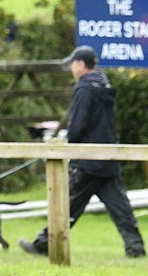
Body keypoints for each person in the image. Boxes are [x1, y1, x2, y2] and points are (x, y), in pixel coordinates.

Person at [20, 45, 145, 258]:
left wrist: (70, 144)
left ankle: (43, 245)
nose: (71, 68)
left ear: (80, 64)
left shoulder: (85, 89)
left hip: (87, 159)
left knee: (66, 205)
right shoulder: (105, 85)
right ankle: (136, 248)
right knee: (120, 207)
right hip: (107, 157)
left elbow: (78, 124)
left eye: (72, 63)